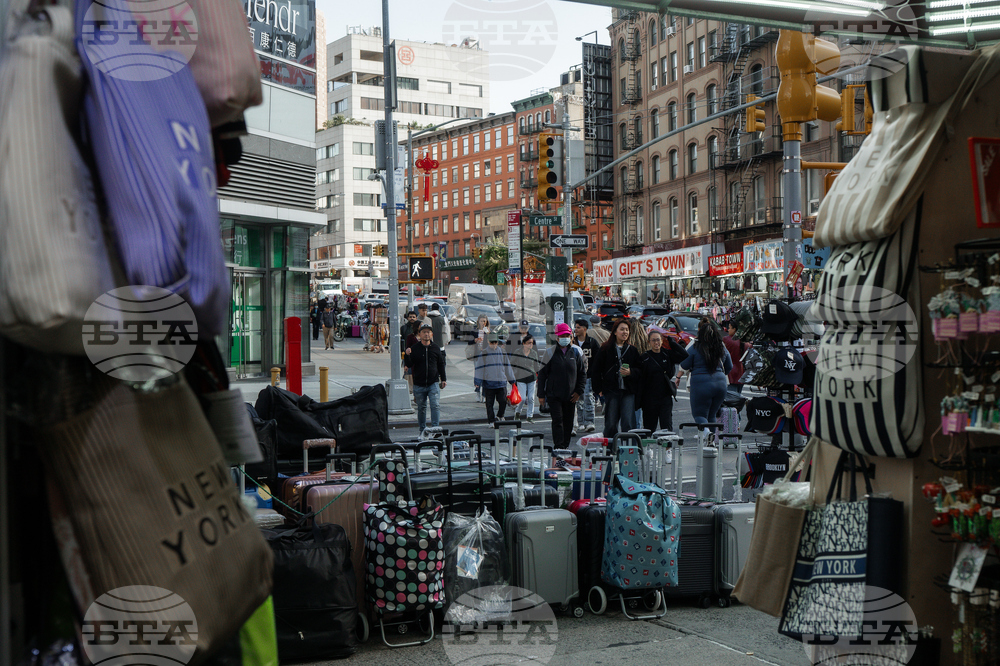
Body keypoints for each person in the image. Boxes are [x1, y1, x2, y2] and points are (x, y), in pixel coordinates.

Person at [677, 318, 733, 429]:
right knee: (712, 415)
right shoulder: (721, 347)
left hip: (701, 383)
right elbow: (729, 366)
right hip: (720, 384)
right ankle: (711, 442)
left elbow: (684, 364)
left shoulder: (695, 346)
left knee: (699, 415)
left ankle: (707, 435)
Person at [538, 323, 586, 449]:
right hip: (554, 395)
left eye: (567, 335)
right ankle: (558, 446)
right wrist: (541, 395)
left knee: (568, 422)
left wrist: (579, 391)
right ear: (557, 337)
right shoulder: (549, 353)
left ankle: (565, 447)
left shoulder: (575, 352)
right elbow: (542, 375)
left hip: (571, 396)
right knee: (557, 420)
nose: (565, 338)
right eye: (562, 335)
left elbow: (582, 374)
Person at [592, 318, 642, 439]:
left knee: (628, 423)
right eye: (622, 329)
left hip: (628, 391)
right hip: (611, 390)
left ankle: (629, 450)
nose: (625, 332)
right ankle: (610, 451)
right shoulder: (605, 349)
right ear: (615, 332)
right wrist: (598, 389)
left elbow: (640, 370)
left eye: (627, 330)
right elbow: (596, 370)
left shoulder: (632, 350)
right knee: (611, 423)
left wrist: (631, 372)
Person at [639, 330, 689, 433]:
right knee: (649, 428)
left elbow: (684, 355)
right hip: (649, 398)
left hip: (665, 396)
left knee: (666, 426)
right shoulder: (644, 357)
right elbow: (640, 377)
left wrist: (672, 342)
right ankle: (648, 449)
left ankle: (668, 449)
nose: (656, 343)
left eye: (658, 340)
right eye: (653, 340)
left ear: (662, 341)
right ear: (649, 342)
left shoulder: (667, 354)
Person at [405, 324, 446, 435]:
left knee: (435, 405)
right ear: (420, 334)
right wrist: (407, 355)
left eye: (428, 332)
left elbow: (441, 364)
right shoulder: (415, 348)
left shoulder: (436, 348)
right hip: (419, 384)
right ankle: (422, 430)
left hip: (433, 383)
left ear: (432, 334)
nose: (426, 334)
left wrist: (443, 378)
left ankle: (435, 429)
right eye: (424, 332)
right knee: (422, 408)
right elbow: (408, 364)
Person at [475, 332, 515, 424]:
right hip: (489, 383)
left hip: (501, 382)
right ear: (488, 342)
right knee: (489, 404)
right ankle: (491, 420)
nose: (493, 345)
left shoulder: (502, 352)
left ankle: (500, 415)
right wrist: (477, 381)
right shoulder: (484, 353)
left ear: (497, 342)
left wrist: (512, 380)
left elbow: (507, 367)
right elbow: (479, 368)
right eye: (492, 343)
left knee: (503, 401)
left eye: (495, 343)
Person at [573, 319, 600, 433]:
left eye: (578, 327)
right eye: (575, 327)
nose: (576, 329)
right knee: (578, 399)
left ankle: (589, 422)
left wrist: (594, 373)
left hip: (588, 376)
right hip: (575, 376)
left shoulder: (592, 342)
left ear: (585, 329)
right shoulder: (572, 342)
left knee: (589, 398)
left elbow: (598, 359)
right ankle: (580, 422)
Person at [510, 333, 540, 423]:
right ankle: (517, 412)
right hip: (521, 377)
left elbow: (537, 367)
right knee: (522, 398)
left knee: (531, 398)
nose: (530, 345)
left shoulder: (534, 353)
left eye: (531, 343)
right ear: (523, 343)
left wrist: (539, 377)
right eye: (528, 343)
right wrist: (514, 373)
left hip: (532, 377)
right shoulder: (518, 352)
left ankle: (530, 416)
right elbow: (512, 363)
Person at [722, 320, 750, 394]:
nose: (728, 330)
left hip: (730, 373)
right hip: (741, 372)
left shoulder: (726, 340)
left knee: (730, 397)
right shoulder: (746, 342)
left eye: (730, 328)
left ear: (734, 329)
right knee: (738, 396)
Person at [468, 314, 491, 402]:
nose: (483, 323)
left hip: (486, 355)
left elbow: (493, 342)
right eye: (481, 321)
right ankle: (477, 392)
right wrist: (475, 340)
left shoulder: (488, 331)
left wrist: (488, 333)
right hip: (477, 354)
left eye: (484, 321)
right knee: (478, 374)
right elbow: (469, 342)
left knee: (485, 374)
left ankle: (484, 395)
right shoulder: (475, 331)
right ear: (478, 322)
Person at [401, 310, 420, 393]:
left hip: (417, 356)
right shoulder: (404, 328)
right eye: (410, 317)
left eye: (413, 317)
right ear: (407, 318)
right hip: (407, 354)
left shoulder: (421, 331)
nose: (412, 318)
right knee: (408, 372)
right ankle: (407, 388)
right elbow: (402, 341)